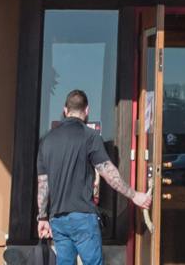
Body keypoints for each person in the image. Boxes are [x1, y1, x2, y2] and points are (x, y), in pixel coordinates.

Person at [36, 90, 151, 265]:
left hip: (58, 219)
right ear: (87, 110)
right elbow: (108, 172)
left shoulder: (47, 141)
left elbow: (43, 185)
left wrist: (43, 217)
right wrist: (135, 195)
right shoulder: (90, 137)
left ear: (65, 110)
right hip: (83, 217)